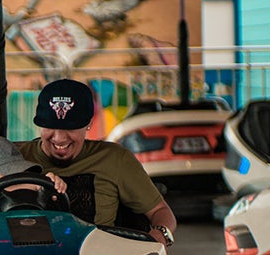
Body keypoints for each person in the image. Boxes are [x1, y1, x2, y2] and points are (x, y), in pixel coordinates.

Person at [15, 78, 177, 246]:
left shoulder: (114, 159)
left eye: (70, 127)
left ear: (88, 124)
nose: (59, 138)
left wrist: (159, 235)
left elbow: (160, 211)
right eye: (49, 126)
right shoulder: (12, 158)